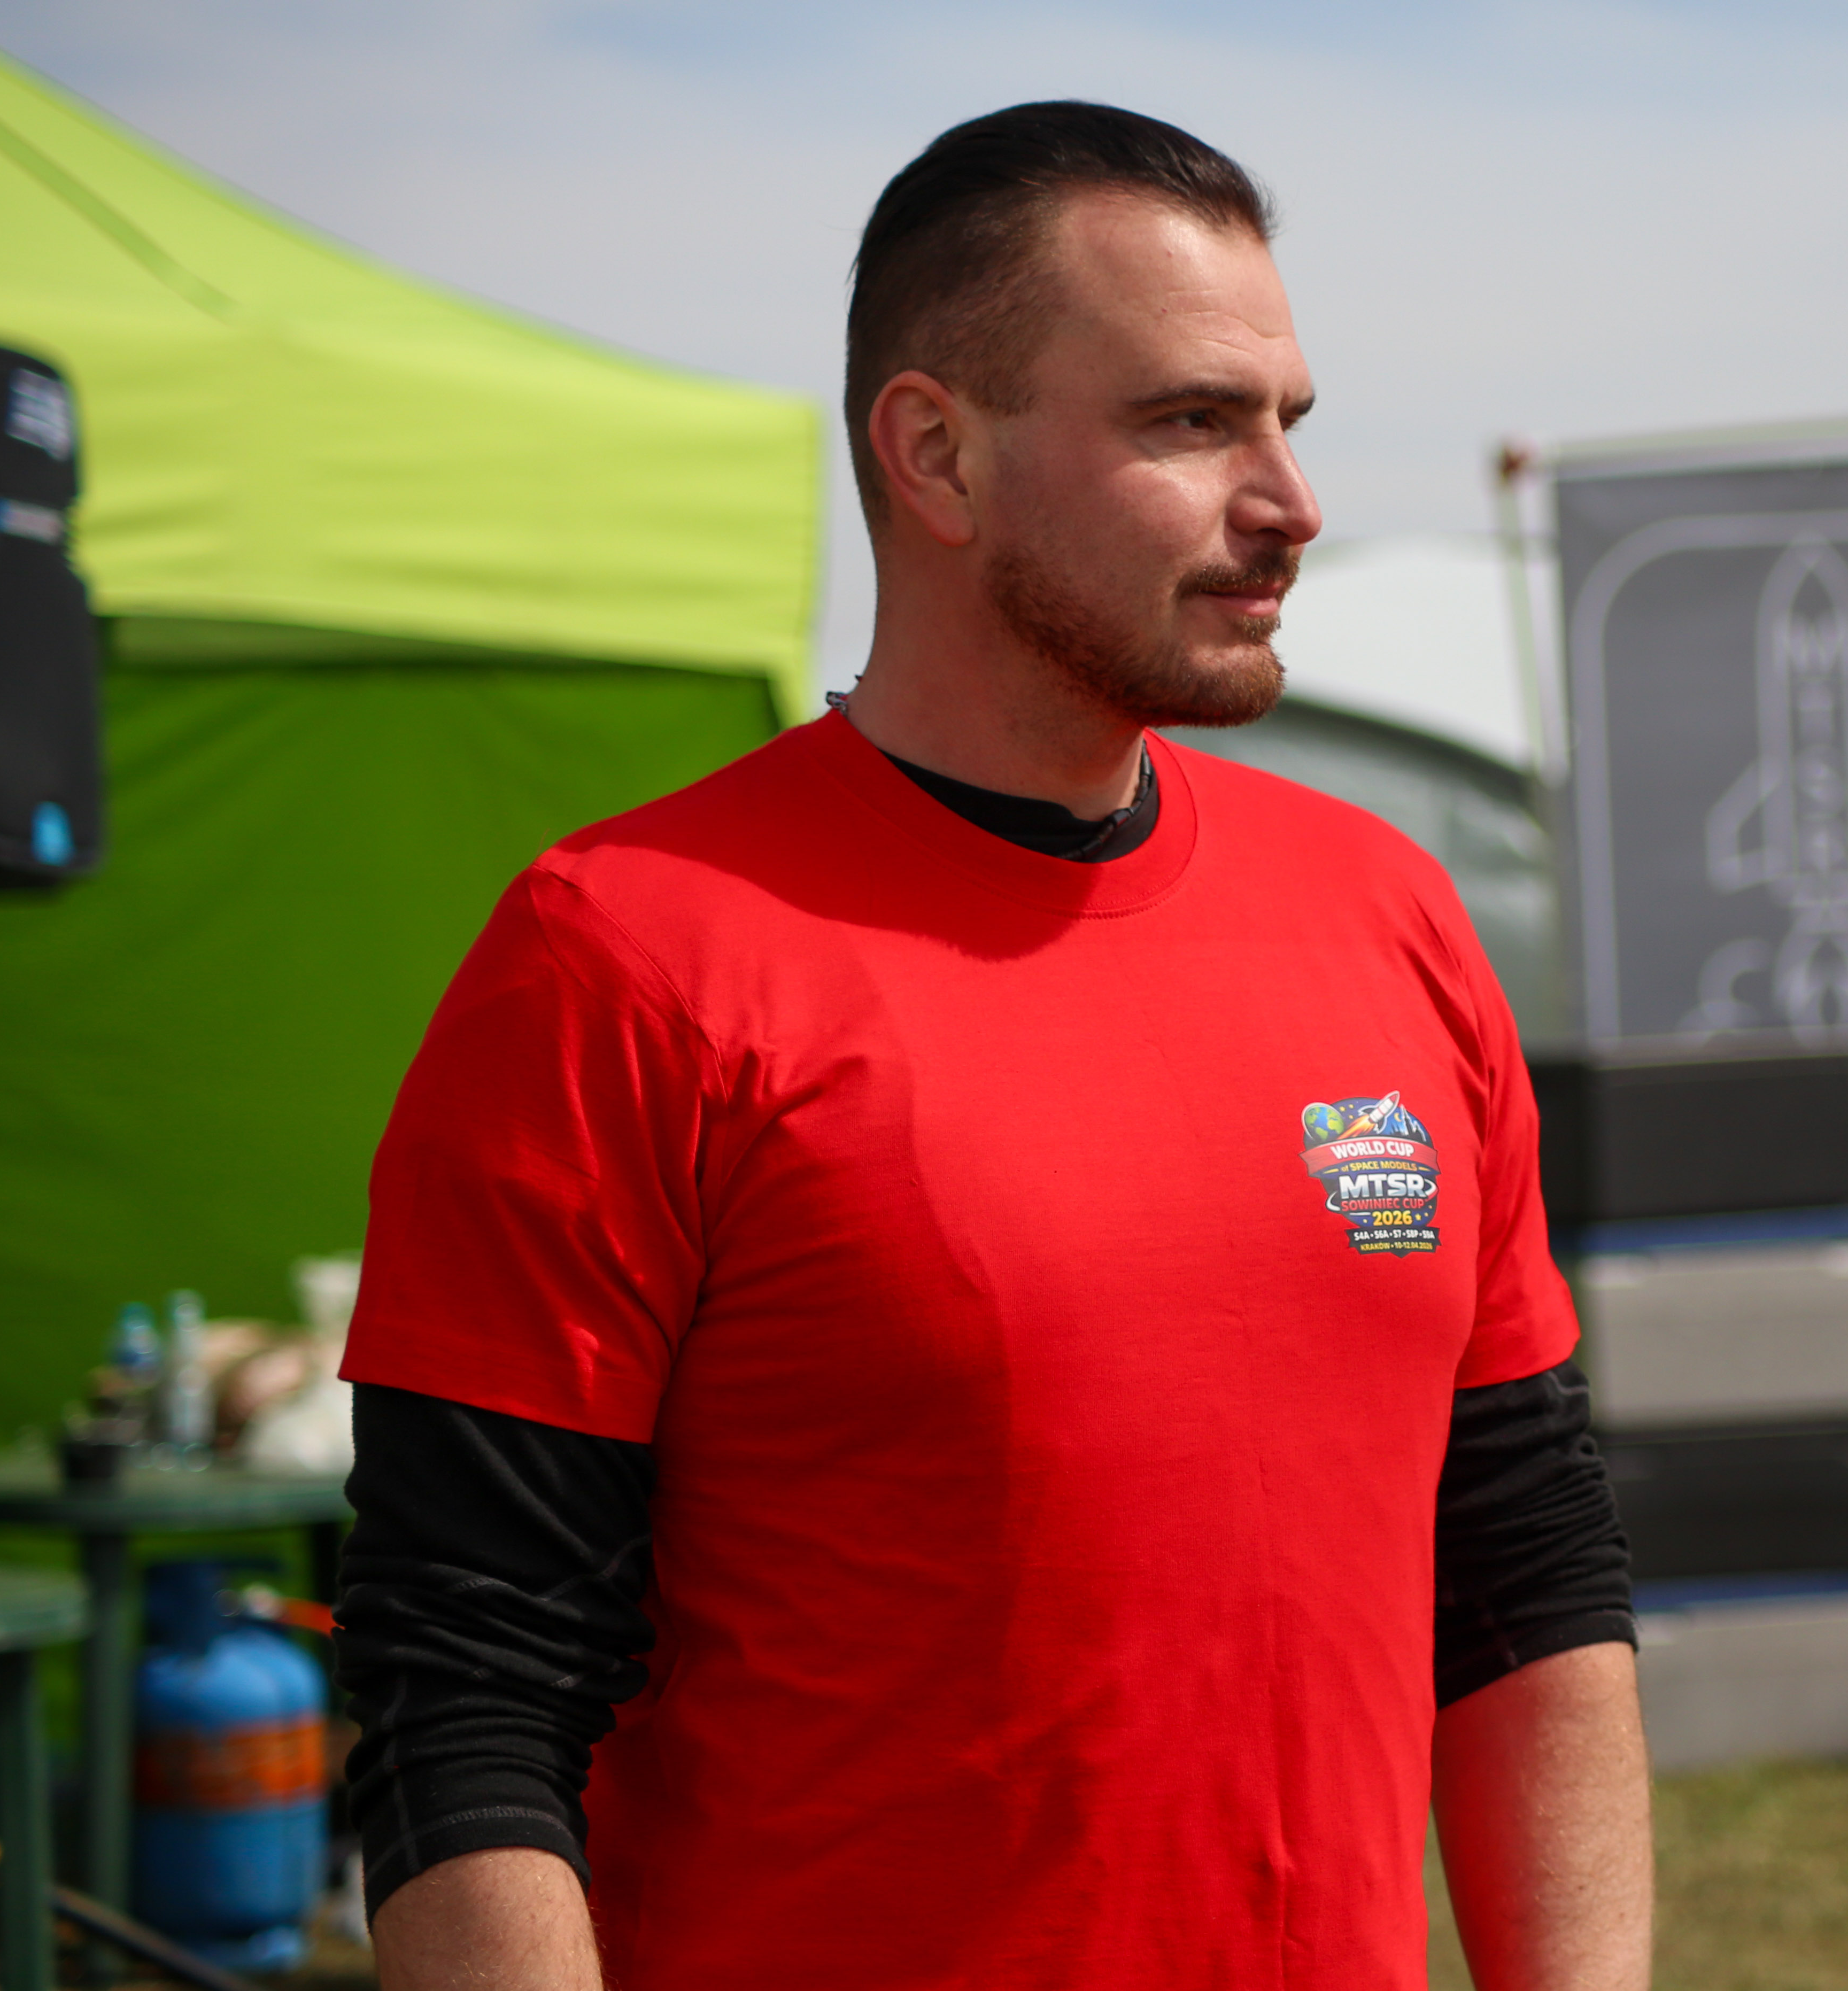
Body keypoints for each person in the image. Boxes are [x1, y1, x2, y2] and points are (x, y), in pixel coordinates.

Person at [333, 103, 1650, 1991]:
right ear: (936, 455)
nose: (1288, 500)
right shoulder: (625, 956)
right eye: (1192, 423)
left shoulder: (1390, 917)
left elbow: (1523, 1564)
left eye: (1288, 419)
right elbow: (463, 1689)